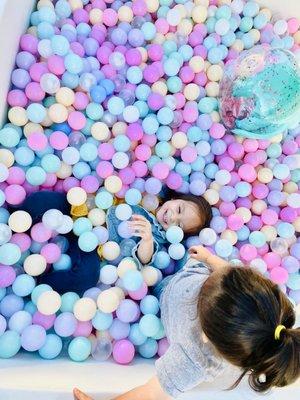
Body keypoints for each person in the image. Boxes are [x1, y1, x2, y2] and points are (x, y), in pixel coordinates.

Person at [73, 245, 300, 400]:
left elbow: (149, 394)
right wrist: (209, 259)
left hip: (161, 301)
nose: (213, 274)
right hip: (184, 273)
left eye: (207, 285)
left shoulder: (195, 360)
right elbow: (234, 274)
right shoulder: (272, 306)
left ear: (205, 334)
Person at [11, 189, 212, 294]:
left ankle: (36, 283)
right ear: (175, 198)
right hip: (81, 212)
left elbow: (144, 259)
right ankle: (13, 219)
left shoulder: (159, 237)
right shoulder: (150, 195)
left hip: (94, 245)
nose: (172, 217)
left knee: (87, 277)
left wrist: (147, 239)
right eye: (178, 210)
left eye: (179, 225)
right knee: (41, 200)